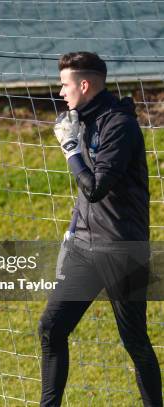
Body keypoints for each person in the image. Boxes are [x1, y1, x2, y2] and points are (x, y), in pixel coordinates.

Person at [40, 51, 162, 406]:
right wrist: (72, 231)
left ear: (84, 84)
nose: (60, 92)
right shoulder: (80, 120)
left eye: (64, 84)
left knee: (135, 341)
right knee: (51, 327)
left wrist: (71, 150)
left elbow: (95, 188)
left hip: (122, 249)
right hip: (84, 247)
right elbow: (85, 198)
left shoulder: (119, 126)